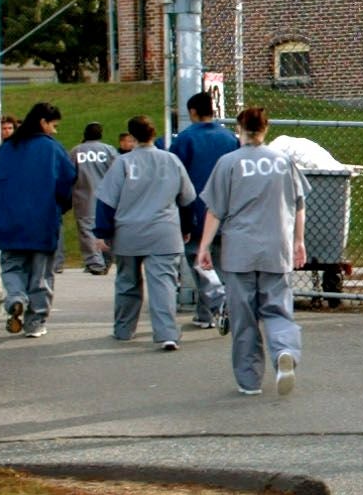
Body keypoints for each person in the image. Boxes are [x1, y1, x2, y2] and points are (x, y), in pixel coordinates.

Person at [195, 106, 308, 399]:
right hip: (276, 247)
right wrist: (299, 241)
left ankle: (249, 380)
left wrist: (205, 246)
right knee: (278, 308)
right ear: (265, 129)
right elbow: (298, 204)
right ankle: (284, 351)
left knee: (243, 317)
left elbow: (215, 210)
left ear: (240, 129)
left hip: (239, 251)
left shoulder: (228, 163)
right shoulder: (283, 162)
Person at [96, 114, 196, 352]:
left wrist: (103, 231)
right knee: (163, 284)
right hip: (164, 231)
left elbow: (107, 201)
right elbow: (188, 199)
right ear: (154, 134)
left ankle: (124, 329)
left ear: (131, 136)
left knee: (127, 282)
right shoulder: (171, 161)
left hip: (129, 232)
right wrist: (186, 227)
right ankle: (167, 333)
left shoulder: (123, 163)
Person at [0, 102, 76, 337]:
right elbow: (67, 182)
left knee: (12, 266)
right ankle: (36, 322)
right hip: (42, 221)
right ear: (43, 122)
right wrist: (61, 206)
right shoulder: (52, 149)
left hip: (7, 221)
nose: (54, 130)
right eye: (53, 125)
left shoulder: (6, 149)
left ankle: (15, 297)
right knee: (41, 274)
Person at [161, 92, 239, 328]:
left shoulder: (184, 140)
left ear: (193, 112)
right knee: (220, 262)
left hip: (196, 210)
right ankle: (209, 312)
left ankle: (217, 305)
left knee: (199, 260)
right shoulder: (229, 138)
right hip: (227, 210)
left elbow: (174, 177)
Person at [69, 123, 119, 275]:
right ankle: (108, 258)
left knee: (87, 229)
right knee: (109, 229)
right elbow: (118, 171)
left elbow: (69, 174)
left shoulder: (76, 151)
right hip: (108, 196)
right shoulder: (108, 150)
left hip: (84, 195)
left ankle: (95, 262)